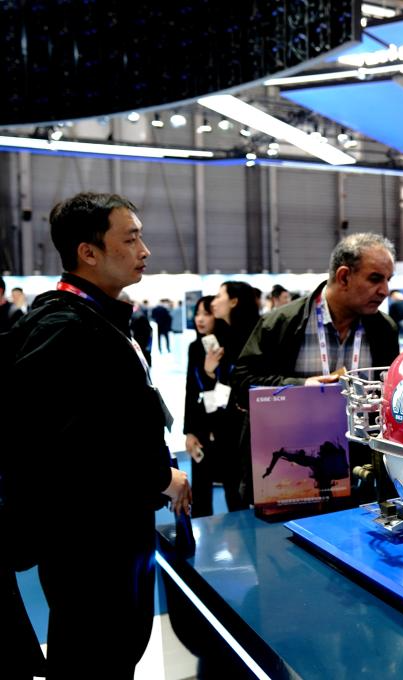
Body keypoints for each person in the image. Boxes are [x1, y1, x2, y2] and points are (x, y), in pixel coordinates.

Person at [5, 192, 190, 677]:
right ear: (88, 252)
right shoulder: (64, 328)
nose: (144, 251)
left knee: (117, 649)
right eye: (130, 239)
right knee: (93, 655)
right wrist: (159, 477)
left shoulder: (97, 318)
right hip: (89, 542)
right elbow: (72, 447)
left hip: (118, 530)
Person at [233, 233, 400, 503]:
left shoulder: (384, 329)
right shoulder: (281, 324)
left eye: (388, 280)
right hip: (293, 476)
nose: (385, 290)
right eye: (375, 279)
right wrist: (301, 388)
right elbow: (242, 381)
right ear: (344, 277)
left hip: (360, 474)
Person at [200, 281, 259, 511]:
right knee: (232, 487)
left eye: (219, 296)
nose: (214, 302)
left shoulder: (254, 336)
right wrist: (209, 372)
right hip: (227, 423)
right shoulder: (221, 338)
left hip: (250, 422)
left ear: (234, 301)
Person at [184, 295, 232, 517]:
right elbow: (190, 391)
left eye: (206, 313)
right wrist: (189, 431)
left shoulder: (229, 345)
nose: (200, 319)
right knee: (201, 490)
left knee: (234, 491)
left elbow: (227, 390)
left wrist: (210, 372)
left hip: (226, 426)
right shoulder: (195, 347)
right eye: (197, 314)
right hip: (202, 424)